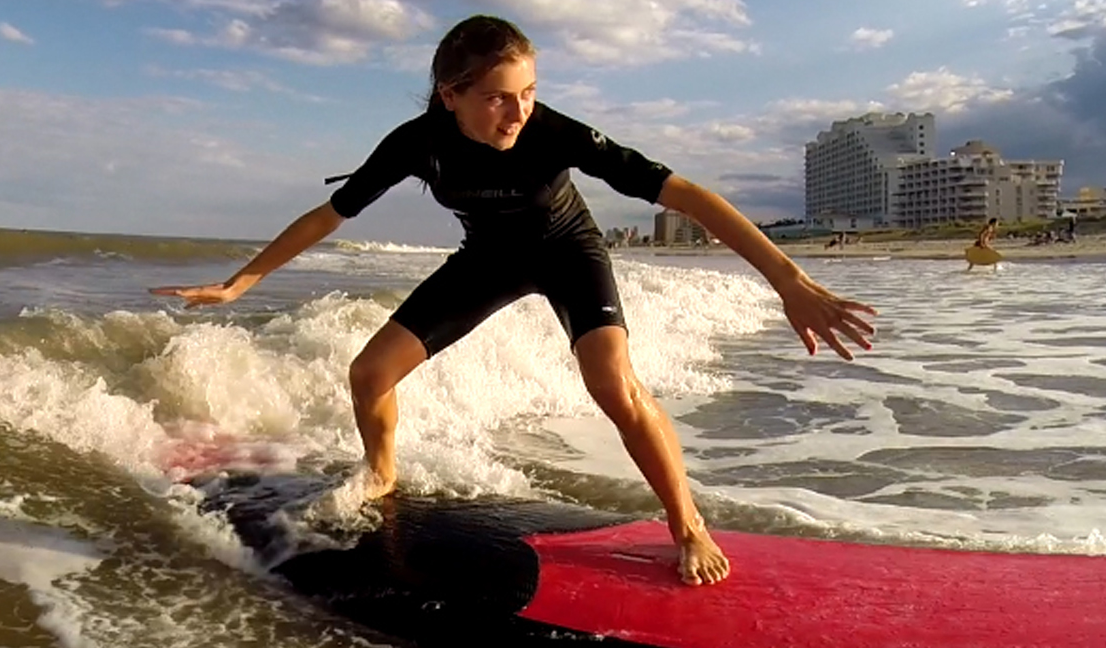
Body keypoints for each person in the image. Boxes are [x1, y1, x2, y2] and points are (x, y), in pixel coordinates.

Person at [150, 14, 876, 587]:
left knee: (613, 385)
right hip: (488, 260)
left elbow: (684, 194)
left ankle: (687, 525)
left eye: (527, 92)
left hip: (569, 252)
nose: (518, 111)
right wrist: (245, 280)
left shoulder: (554, 132)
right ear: (452, 94)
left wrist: (787, 278)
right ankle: (381, 470)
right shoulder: (416, 143)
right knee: (368, 374)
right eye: (499, 96)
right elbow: (331, 215)